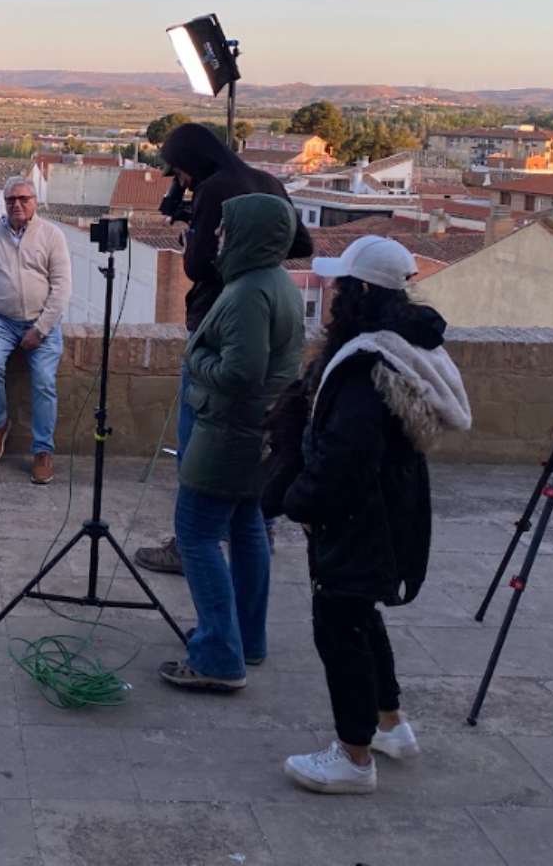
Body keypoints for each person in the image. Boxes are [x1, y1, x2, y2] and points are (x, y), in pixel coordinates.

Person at [264, 235, 471, 795]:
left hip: (359, 518)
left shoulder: (363, 367)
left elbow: (344, 457)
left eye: (341, 284)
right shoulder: (404, 347)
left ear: (359, 291)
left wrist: (300, 502)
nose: (331, 293)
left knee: (339, 627)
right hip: (390, 508)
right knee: (360, 615)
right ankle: (390, 725)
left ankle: (353, 757)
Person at [135, 121, 314, 575]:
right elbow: (302, 242)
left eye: (179, 171)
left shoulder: (215, 189)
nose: (182, 181)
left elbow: (196, 267)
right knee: (260, 438)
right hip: (272, 317)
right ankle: (260, 530)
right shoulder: (268, 181)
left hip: (220, 322)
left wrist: (195, 239)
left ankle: (189, 541)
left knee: (198, 442)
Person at [158, 193, 305, 691]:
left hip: (228, 432)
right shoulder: (275, 283)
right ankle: (247, 638)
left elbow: (240, 372)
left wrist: (193, 362)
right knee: (246, 529)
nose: (217, 238)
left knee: (196, 535)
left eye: (225, 230)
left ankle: (219, 655)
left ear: (250, 234)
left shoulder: (247, 293)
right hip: (257, 433)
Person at [0, 176, 72, 485]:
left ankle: (42, 450)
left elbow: (62, 288)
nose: (17, 205)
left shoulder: (52, 236)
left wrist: (41, 329)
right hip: (1, 321)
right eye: (11, 200)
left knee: (43, 381)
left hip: (43, 321)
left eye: (24, 199)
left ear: (35, 201)